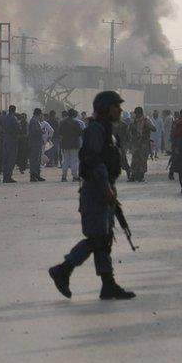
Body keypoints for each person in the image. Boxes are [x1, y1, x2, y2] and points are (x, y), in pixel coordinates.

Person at [48, 91, 135, 301]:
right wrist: (106, 188)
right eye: (116, 106)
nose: (120, 110)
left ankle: (108, 285)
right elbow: (94, 160)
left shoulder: (105, 129)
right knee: (97, 238)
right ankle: (63, 269)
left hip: (103, 188)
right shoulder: (96, 129)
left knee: (103, 239)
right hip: (96, 190)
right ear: (107, 108)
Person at [127, 107, 156, 182]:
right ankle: (133, 175)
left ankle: (141, 176)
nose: (137, 115)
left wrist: (147, 126)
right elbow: (129, 131)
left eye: (138, 114)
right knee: (135, 160)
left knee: (143, 160)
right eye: (136, 114)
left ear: (141, 113)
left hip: (144, 143)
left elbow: (154, 128)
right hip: (135, 143)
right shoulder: (133, 121)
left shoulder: (146, 120)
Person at [59, 109, 85, 182]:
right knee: (74, 160)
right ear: (74, 114)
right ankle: (75, 176)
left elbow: (60, 133)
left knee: (65, 160)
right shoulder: (76, 122)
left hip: (65, 144)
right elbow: (80, 132)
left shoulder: (62, 122)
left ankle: (64, 177)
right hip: (74, 144)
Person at [1, 105, 20, 183]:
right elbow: (17, 128)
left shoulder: (4, 118)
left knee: (5, 158)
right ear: (14, 110)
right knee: (11, 159)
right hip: (12, 140)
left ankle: (5, 175)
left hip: (5, 139)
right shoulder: (13, 118)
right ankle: (8, 176)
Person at [28, 109, 47, 182]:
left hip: (37, 143)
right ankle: (33, 175)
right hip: (35, 143)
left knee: (37, 160)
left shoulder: (35, 121)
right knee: (34, 160)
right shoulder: (34, 121)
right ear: (39, 114)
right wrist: (42, 131)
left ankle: (37, 175)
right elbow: (35, 131)